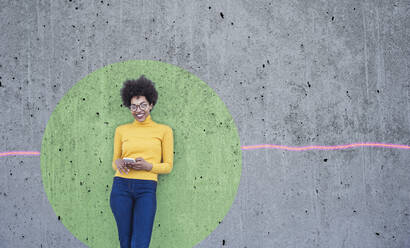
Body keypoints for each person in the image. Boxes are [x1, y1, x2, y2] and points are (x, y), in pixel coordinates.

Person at [109, 75, 174, 248]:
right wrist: (119, 163)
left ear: (151, 104)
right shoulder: (121, 130)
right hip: (120, 187)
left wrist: (148, 166)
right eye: (133, 106)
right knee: (125, 242)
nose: (138, 110)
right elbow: (114, 161)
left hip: (146, 189)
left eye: (143, 105)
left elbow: (168, 166)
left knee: (140, 243)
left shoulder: (164, 131)